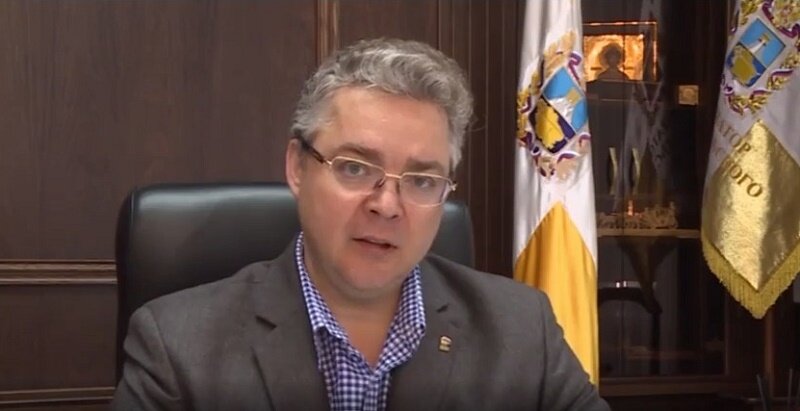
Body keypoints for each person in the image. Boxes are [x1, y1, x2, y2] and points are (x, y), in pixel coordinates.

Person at [111, 38, 609, 411]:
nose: (387, 205)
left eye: (422, 180)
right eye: (354, 168)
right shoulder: (179, 346)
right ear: (297, 167)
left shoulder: (521, 331)